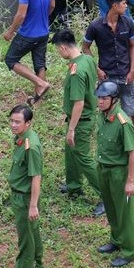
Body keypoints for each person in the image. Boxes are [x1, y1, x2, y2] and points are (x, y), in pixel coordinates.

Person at [83, 0, 134, 159]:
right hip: (107, 75)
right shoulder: (96, 26)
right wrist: (97, 69)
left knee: (132, 110)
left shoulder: (127, 23)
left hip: (125, 74)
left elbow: (133, 46)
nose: (126, 6)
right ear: (114, 5)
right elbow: (85, 47)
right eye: (124, 3)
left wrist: (132, 70)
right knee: (106, 110)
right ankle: (111, 143)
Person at [51, 29, 105, 217]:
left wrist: (71, 129)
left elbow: (79, 103)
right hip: (83, 117)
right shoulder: (86, 59)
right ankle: (74, 185)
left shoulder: (76, 71)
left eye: (58, 50)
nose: (59, 53)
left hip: (81, 120)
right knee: (70, 152)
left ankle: (106, 196)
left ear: (64, 47)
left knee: (83, 157)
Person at [94, 81, 134, 268]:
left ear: (114, 100)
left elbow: (132, 152)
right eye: (99, 98)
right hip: (103, 169)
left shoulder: (123, 122)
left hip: (118, 173)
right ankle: (116, 240)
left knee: (124, 212)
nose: (100, 102)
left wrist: (130, 181)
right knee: (111, 208)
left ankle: (129, 251)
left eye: (104, 99)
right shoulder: (102, 117)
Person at [2, 0, 55, 102]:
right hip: (44, 31)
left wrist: (10, 31)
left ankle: (40, 83)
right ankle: (38, 99)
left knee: (11, 60)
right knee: (40, 64)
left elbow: (21, 15)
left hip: (27, 34)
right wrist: (43, 18)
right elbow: (52, 5)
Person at [7, 104, 44, 268]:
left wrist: (33, 205)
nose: (13, 125)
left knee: (25, 239)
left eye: (18, 122)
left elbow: (36, 176)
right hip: (21, 196)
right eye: (12, 121)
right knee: (32, 232)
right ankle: (38, 266)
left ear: (28, 123)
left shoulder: (31, 145)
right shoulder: (22, 138)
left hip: (25, 198)